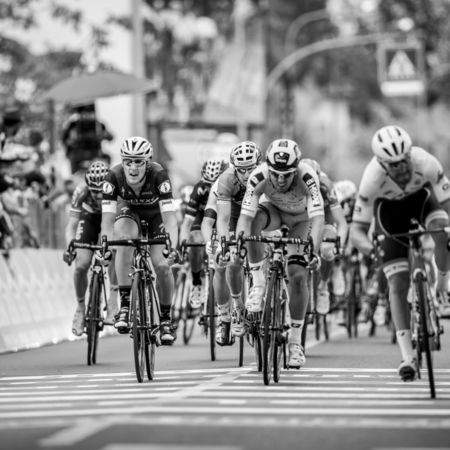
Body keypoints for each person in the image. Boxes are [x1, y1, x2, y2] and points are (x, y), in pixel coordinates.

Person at [350, 125, 450, 382]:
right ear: (382, 164)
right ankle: (408, 357)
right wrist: (373, 251)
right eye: (394, 165)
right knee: (396, 282)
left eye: (405, 160)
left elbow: (447, 203)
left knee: (443, 232)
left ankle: (442, 287)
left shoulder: (426, 162)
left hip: (423, 202)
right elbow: (357, 231)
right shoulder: (371, 179)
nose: (403, 168)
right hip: (390, 214)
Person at [236, 138, 324, 368]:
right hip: (273, 213)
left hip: (300, 220)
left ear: (296, 169)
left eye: (287, 175)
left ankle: (295, 343)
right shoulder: (258, 175)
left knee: (297, 275)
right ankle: (258, 284)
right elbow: (245, 217)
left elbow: (317, 219)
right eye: (276, 174)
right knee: (254, 221)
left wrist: (314, 250)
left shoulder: (308, 177)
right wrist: (239, 241)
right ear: (268, 168)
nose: (281, 179)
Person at [100, 136, 179, 345]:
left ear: (148, 162)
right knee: (124, 241)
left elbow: (170, 219)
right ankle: (125, 305)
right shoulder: (113, 177)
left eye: (138, 162)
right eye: (128, 162)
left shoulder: (159, 175)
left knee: (162, 265)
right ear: (122, 162)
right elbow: (107, 220)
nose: (133, 168)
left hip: (155, 216)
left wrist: (172, 246)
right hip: (129, 211)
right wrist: (105, 245)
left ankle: (165, 319)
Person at [205, 141, 262, 346]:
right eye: (241, 170)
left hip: (257, 216)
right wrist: (224, 245)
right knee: (229, 261)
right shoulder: (226, 179)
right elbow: (222, 219)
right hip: (233, 218)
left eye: (250, 169)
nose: (246, 175)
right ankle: (232, 312)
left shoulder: (266, 176)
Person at [63, 160, 118, 336]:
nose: (99, 195)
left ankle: (113, 302)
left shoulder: (115, 190)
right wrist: (70, 247)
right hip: (89, 220)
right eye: (94, 191)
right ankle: (80, 308)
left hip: (109, 220)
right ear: (88, 186)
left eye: (102, 191)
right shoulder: (81, 191)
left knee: (113, 251)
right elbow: (71, 226)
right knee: (81, 265)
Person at [179, 158, 227, 309]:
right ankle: (196, 283)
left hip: (222, 216)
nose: (211, 187)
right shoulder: (199, 189)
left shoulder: (229, 184)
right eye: (208, 183)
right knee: (195, 241)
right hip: (201, 217)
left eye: (215, 183)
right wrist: (183, 244)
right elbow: (187, 223)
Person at [302, 158, 348, 315]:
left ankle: (323, 286)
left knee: (327, 249)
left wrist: (338, 245)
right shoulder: (292, 183)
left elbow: (341, 222)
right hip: (302, 216)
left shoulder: (325, 186)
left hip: (325, 214)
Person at [61, 103, 113, 175]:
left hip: (95, 155)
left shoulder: (98, 125)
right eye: (84, 114)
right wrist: (71, 140)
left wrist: (105, 135)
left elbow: (110, 137)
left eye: (90, 113)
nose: (87, 116)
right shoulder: (73, 125)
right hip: (78, 156)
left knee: (106, 160)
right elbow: (64, 140)